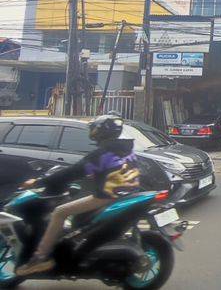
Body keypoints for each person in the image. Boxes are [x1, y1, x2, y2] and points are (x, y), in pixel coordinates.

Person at [16, 113, 141, 276]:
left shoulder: (103, 153)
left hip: (106, 197)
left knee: (59, 212)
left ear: (102, 131)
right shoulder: (125, 148)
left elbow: (73, 172)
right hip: (127, 194)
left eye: (95, 128)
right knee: (77, 219)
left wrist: (38, 183)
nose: (93, 131)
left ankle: (39, 259)